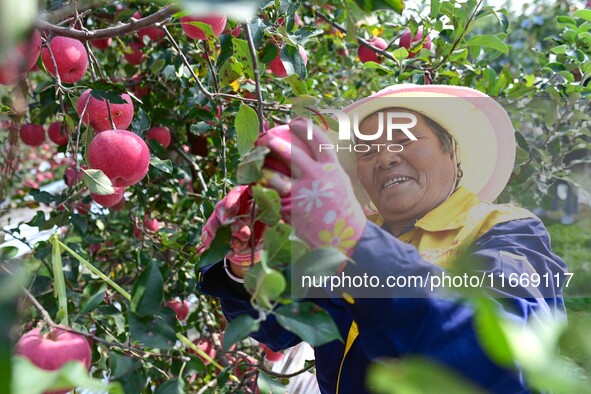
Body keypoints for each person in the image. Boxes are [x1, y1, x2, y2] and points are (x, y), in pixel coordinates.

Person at [197, 85, 567, 393]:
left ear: (451, 151)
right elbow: (279, 327)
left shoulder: (506, 228)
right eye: (368, 151)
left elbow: (508, 355)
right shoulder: (341, 244)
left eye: (405, 138)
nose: (385, 158)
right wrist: (246, 265)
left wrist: (355, 244)